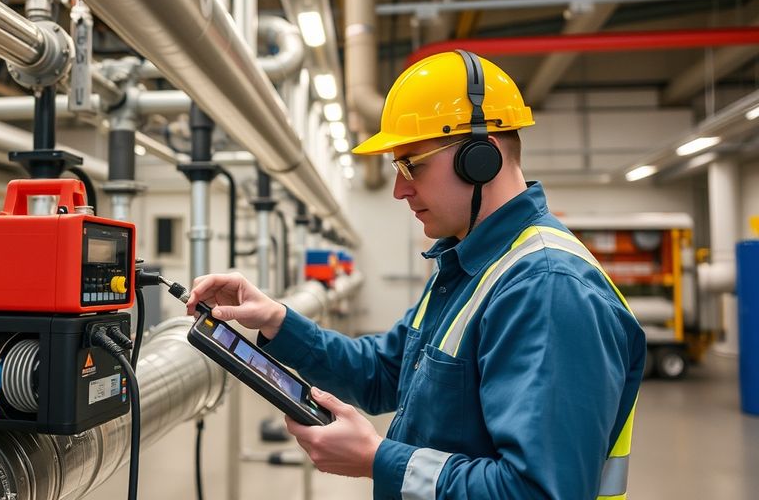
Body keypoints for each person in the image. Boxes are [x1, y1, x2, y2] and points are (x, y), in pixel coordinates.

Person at [186, 50, 644, 500]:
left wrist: (376, 459)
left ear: (479, 158)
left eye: (412, 164)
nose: (399, 188)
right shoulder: (468, 265)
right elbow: (386, 371)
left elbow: (539, 492)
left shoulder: (547, 290)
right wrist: (277, 321)